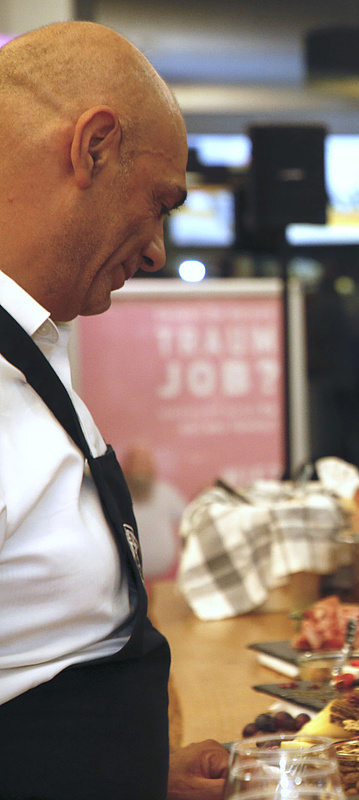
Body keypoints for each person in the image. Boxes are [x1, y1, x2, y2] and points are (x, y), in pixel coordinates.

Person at [0, 21, 224, 797]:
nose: (158, 249)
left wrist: (138, 775)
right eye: (160, 203)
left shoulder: (33, 345)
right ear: (93, 148)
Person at [125, 445, 188, 582]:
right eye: (136, 463)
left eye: (144, 463)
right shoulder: (116, 496)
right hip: (127, 580)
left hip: (166, 579)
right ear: (125, 467)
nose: (140, 469)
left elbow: (188, 521)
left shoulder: (167, 492)